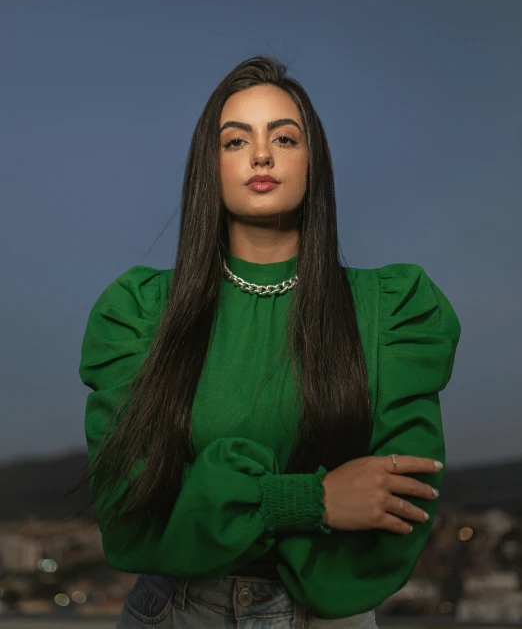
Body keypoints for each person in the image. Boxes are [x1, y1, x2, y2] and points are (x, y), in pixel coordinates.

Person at [77, 55, 461, 627]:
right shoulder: (139, 314)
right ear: (208, 166)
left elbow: (400, 511)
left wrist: (216, 509)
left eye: (284, 137)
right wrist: (313, 502)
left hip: (330, 616)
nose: (261, 155)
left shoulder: (392, 310)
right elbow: (130, 517)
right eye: (235, 141)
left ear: (314, 162)